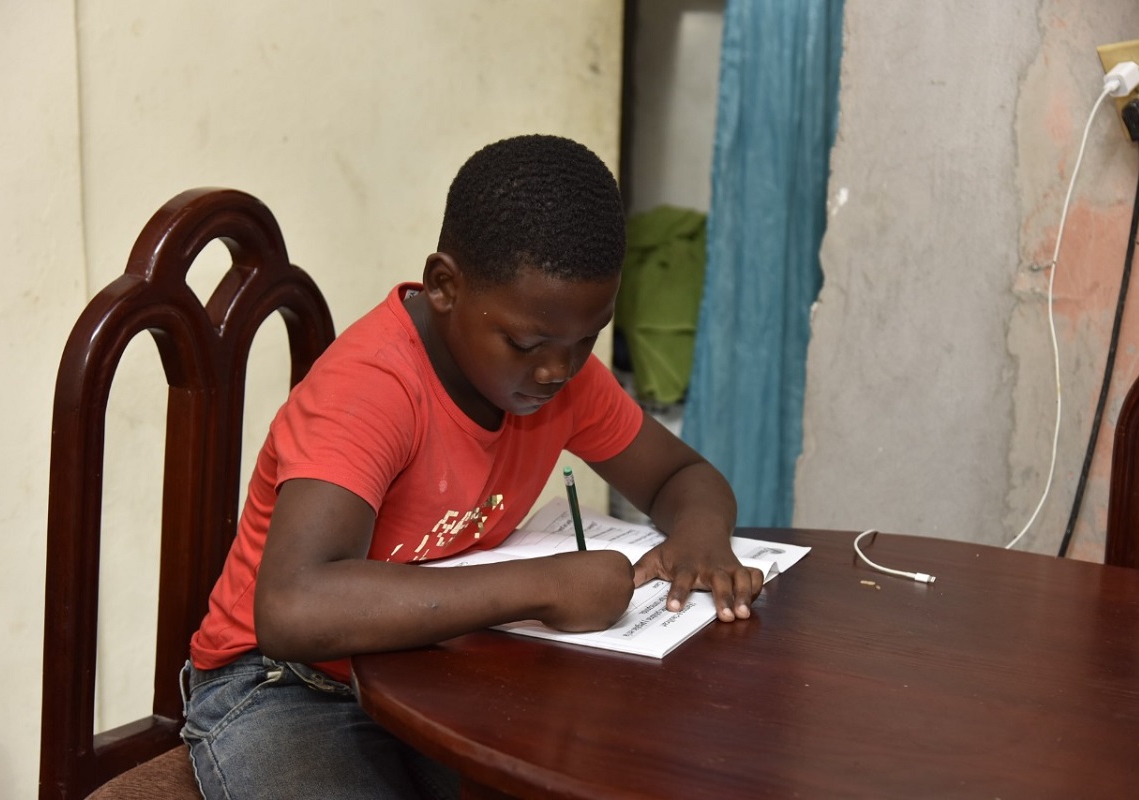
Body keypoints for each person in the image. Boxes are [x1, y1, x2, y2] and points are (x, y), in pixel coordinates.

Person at [181, 134, 764, 799]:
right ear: (444, 286)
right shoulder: (373, 389)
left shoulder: (558, 377)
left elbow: (681, 477)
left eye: (588, 338)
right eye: (525, 342)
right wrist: (542, 585)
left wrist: (699, 541)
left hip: (429, 665)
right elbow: (293, 607)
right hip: (282, 684)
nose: (556, 370)